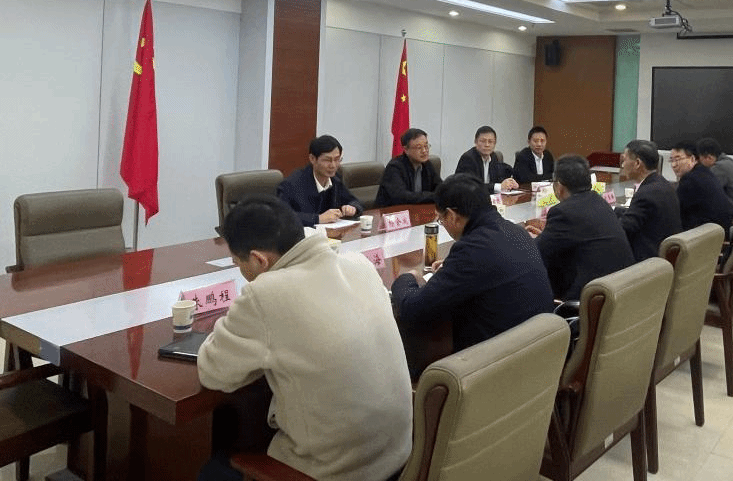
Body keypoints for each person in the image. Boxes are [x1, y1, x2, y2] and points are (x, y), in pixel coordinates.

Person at [197, 198, 411, 481]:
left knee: (212, 468)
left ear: (259, 260)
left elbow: (213, 372)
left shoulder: (265, 293)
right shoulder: (359, 264)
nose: (241, 272)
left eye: (238, 263)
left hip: (334, 472)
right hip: (398, 458)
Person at [391, 173, 554, 354]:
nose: (443, 224)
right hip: (543, 351)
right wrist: (453, 266)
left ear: (452, 216)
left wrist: (407, 278)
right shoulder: (517, 231)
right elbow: (488, 264)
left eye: (441, 219)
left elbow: (412, 310)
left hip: (499, 361)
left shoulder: (471, 250)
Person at [526, 155, 633, 301]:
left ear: (559, 187)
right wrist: (546, 235)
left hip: (592, 299)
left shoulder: (563, 212)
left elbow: (536, 252)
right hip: (621, 291)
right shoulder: (599, 201)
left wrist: (524, 239)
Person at [616, 139, 682, 262]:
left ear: (637, 163)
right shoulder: (663, 184)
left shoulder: (646, 194)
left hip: (647, 261)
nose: (623, 165)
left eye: (624, 160)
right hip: (663, 255)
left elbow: (623, 230)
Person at [277, 135, 363, 226]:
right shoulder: (292, 183)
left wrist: (353, 208)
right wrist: (318, 218)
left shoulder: (335, 180)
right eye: (327, 160)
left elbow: (354, 201)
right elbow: (281, 216)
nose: (333, 165)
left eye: (337, 159)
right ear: (312, 159)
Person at [670, 141, 733, 234]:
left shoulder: (690, 180)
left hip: (707, 236)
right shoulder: (704, 172)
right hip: (718, 232)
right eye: (671, 160)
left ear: (692, 159)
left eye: (677, 159)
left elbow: (675, 212)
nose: (673, 165)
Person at [375, 128, 441, 207]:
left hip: (417, 210)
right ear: (406, 149)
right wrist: (434, 196)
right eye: (419, 147)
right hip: (391, 212)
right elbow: (402, 197)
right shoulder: (394, 167)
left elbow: (440, 186)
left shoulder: (427, 164)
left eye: (426, 146)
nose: (424, 151)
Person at [696, 137, 733, 209]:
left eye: (700, 158)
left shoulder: (719, 167)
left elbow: (708, 192)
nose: (699, 162)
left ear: (709, 158)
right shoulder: (728, 161)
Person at [454, 125, 517, 192]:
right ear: (475, 142)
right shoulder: (468, 158)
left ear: (495, 144)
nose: (487, 145)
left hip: (487, 196)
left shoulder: (493, 157)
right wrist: (498, 186)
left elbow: (497, 179)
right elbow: (472, 186)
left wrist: (509, 183)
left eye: (490, 141)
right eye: (483, 141)